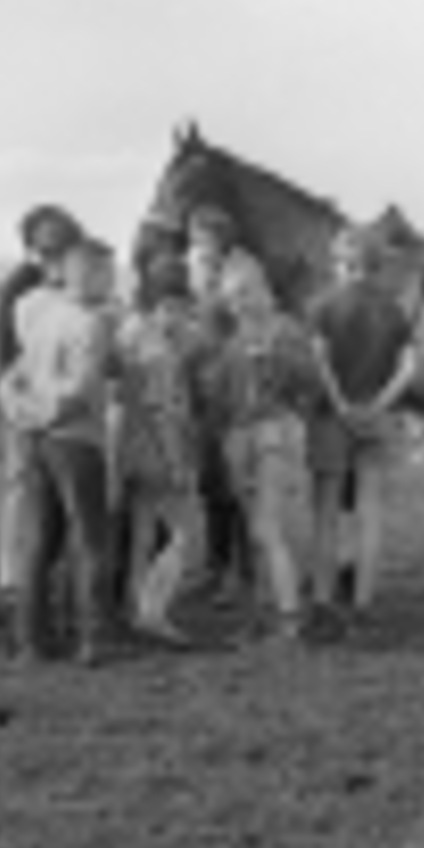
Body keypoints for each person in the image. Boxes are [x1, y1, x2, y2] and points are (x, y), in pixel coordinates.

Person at [6, 236, 122, 666]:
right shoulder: (91, 324)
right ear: (85, 273)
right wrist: (49, 415)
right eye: (108, 272)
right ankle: (92, 639)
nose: (112, 281)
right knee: (91, 539)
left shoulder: (38, 315)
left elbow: (13, 377)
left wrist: (25, 416)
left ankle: (31, 640)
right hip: (77, 440)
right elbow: (81, 391)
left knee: (39, 541)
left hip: (39, 441)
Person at [307, 225, 417, 623]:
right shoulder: (393, 309)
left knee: (326, 512)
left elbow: (320, 362)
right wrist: (377, 406)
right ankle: (363, 602)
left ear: (339, 262)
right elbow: (409, 369)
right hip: (376, 417)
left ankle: (321, 600)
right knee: (370, 512)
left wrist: (340, 405)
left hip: (331, 418)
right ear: (374, 264)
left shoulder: (322, 305)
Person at [207, 266, 322, 643]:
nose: (238, 302)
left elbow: (312, 383)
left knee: (268, 528)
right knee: (255, 532)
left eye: (244, 292)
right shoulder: (233, 339)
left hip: (276, 433)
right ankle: (265, 614)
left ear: (264, 290)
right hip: (240, 438)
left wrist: (277, 362)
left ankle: (289, 617)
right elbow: (220, 396)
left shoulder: (286, 330)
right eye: (231, 296)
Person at [0, 205, 85, 604]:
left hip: (60, 401)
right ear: (32, 244)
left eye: (60, 241)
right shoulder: (22, 284)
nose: (53, 249)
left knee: (46, 492)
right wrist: (22, 401)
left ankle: (41, 570)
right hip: (28, 400)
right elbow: (7, 348)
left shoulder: (70, 282)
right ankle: (14, 575)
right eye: (46, 241)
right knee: (21, 486)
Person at [114, 252, 206, 644]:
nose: (185, 318)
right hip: (157, 452)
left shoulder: (128, 332)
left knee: (142, 534)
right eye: (181, 309)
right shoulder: (161, 354)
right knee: (183, 536)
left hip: (128, 448)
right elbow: (166, 414)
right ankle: (153, 612)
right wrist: (177, 463)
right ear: (165, 306)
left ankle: (134, 606)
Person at [183, 204, 268, 605]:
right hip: (203, 388)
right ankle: (215, 569)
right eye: (195, 239)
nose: (199, 248)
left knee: (237, 487)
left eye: (205, 239)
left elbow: (255, 322)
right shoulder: (195, 267)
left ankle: (245, 574)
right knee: (210, 484)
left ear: (223, 239)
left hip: (236, 384)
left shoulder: (246, 272)